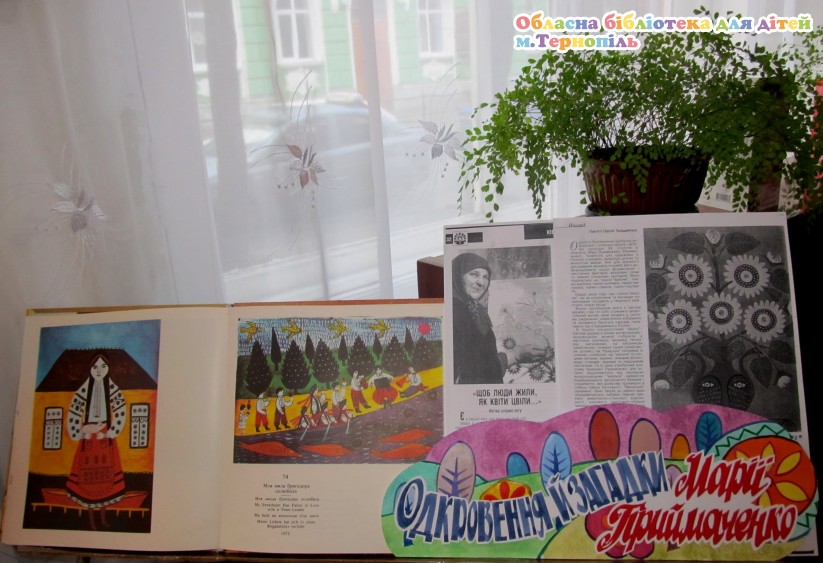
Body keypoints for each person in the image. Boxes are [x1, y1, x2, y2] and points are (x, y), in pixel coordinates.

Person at [452, 252, 543, 384]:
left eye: (485, 277)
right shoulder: (457, 311)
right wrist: (515, 356)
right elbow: (470, 372)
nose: (481, 282)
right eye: (474, 274)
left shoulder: (472, 309)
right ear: (457, 276)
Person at [66, 354, 127, 530]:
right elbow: (74, 411)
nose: (99, 371)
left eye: (103, 367)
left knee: (106, 480)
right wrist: (81, 431)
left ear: (107, 369)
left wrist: (110, 432)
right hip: (88, 439)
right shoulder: (84, 390)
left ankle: (103, 519)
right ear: (91, 370)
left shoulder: (112, 389)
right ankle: (91, 521)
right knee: (87, 480)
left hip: (104, 438)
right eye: (95, 367)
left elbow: (120, 409)